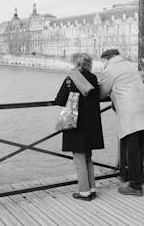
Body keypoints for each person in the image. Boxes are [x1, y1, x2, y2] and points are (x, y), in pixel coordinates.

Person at [99, 49, 144, 197]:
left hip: (131, 112)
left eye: (102, 62)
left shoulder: (109, 69)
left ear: (106, 59)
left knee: (132, 150)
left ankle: (135, 186)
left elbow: (102, 92)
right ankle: (138, 179)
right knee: (139, 147)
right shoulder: (130, 65)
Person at [55, 53, 104, 201]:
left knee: (79, 158)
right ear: (89, 64)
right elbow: (98, 96)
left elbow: (60, 100)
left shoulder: (71, 78)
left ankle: (84, 192)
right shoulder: (94, 78)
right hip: (91, 124)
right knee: (88, 157)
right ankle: (92, 188)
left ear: (75, 64)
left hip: (76, 124)